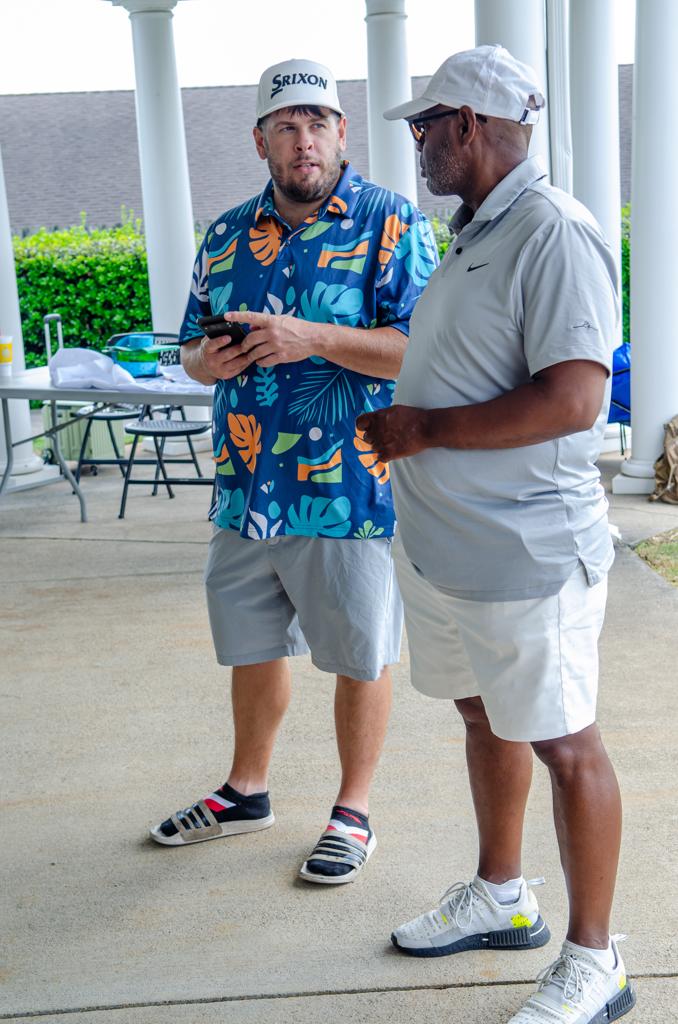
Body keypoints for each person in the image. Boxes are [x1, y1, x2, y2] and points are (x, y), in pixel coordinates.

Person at [358, 45, 636, 1023]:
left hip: (526, 554)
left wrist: (424, 429)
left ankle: (597, 959)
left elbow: (575, 398)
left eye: (425, 125)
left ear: (469, 124)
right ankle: (502, 894)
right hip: (449, 550)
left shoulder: (553, 232)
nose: (418, 144)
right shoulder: (480, 231)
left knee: (566, 742)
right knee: (485, 716)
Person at [149, 59, 438, 885]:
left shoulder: (392, 223)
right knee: (251, 645)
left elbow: (422, 349)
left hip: (346, 484)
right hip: (245, 484)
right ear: (260, 141)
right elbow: (190, 348)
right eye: (286, 125)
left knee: (359, 653)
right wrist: (207, 360)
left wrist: (310, 338)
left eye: (317, 123)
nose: (303, 139)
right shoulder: (225, 234)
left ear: (342, 133)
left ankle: (353, 811)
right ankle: (246, 791)